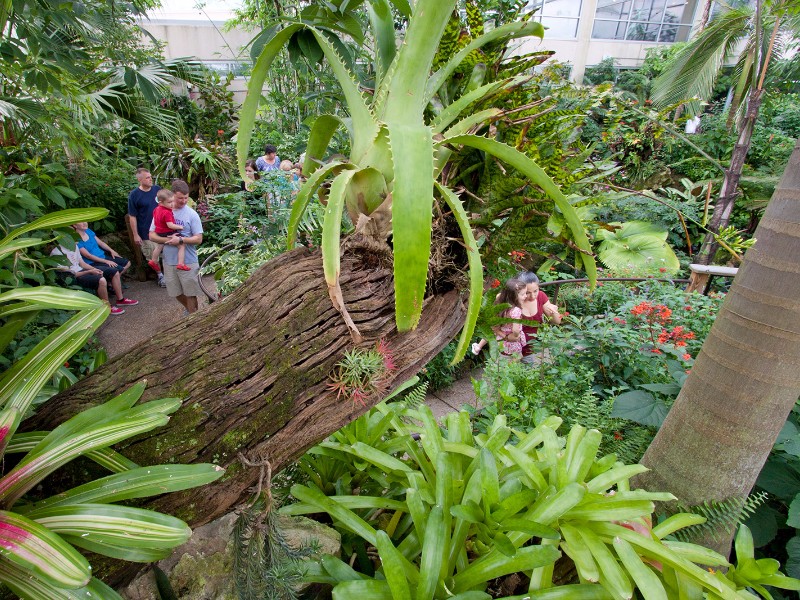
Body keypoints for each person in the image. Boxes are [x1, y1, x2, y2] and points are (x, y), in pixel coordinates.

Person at [149, 179, 204, 314]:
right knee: (175, 292)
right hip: (168, 260)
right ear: (172, 195)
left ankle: (193, 317)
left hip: (188, 260)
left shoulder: (191, 214)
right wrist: (168, 240)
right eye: (180, 198)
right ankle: (190, 311)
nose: (184, 201)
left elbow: (198, 239)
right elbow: (151, 235)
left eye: (186, 198)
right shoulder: (160, 211)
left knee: (191, 292)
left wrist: (180, 240)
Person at [50, 245, 138, 315]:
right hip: (74, 276)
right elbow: (70, 274)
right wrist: (90, 271)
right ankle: (107, 307)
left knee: (114, 271)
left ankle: (120, 300)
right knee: (101, 280)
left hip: (82, 270)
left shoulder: (74, 246)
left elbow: (82, 264)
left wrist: (95, 270)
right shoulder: (57, 252)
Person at [127, 167, 165, 287]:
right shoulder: (134, 195)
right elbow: (132, 216)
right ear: (140, 180)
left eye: (150, 177)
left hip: (162, 229)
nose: (150, 179)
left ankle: (170, 274)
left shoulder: (157, 189)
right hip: (146, 231)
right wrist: (135, 234)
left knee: (167, 253)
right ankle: (160, 276)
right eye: (147, 177)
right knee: (152, 255)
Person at [518, 272, 562, 365]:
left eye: (535, 291)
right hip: (511, 350)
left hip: (529, 350)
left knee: (527, 376)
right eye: (527, 293)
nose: (533, 296)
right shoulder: (514, 300)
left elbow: (557, 321)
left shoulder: (541, 296)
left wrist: (554, 311)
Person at [148, 189, 190, 272]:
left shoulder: (156, 209)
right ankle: (181, 263)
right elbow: (170, 225)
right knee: (182, 245)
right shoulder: (167, 212)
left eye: (172, 201)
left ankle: (153, 260)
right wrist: (180, 227)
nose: (172, 204)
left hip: (159, 232)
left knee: (159, 247)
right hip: (168, 232)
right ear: (160, 202)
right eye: (169, 202)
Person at [493, 278, 527, 360]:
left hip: (501, 342)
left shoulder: (500, 307)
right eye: (523, 294)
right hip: (513, 345)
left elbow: (495, 328)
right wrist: (516, 335)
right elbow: (515, 330)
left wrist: (505, 336)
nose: (525, 296)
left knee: (502, 361)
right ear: (514, 297)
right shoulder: (516, 311)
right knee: (516, 360)